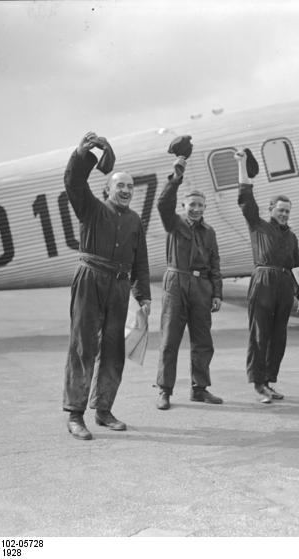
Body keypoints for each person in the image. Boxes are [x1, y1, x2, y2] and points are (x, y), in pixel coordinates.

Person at [62, 131, 151, 440]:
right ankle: (75, 414)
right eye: (119, 186)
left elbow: (140, 258)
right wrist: (81, 154)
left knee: (114, 350)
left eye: (129, 186)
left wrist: (143, 295)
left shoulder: (135, 220)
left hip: (119, 286)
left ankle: (103, 410)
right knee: (84, 346)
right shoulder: (91, 209)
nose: (125, 190)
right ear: (107, 189)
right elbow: (74, 183)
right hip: (90, 279)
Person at [155, 144, 224, 410]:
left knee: (203, 340)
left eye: (200, 205)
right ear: (184, 206)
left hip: (201, 287)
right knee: (170, 339)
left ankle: (200, 388)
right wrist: (176, 177)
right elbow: (163, 204)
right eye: (191, 205)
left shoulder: (210, 232)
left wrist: (217, 292)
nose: (196, 209)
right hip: (176, 283)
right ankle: (164, 390)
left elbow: (215, 263)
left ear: (205, 207)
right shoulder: (174, 223)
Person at [236, 150, 299, 404]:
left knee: (278, 336)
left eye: (287, 211)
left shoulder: (292, 237)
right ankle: (257, 383)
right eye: (280, 210)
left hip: (284, 286)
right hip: (263, 283)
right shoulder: (258, 226)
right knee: (259, 334)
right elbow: (246, 199)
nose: (284, 214)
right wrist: (243, 164)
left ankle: (268, 381)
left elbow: (296, 266)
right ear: (270, 210)